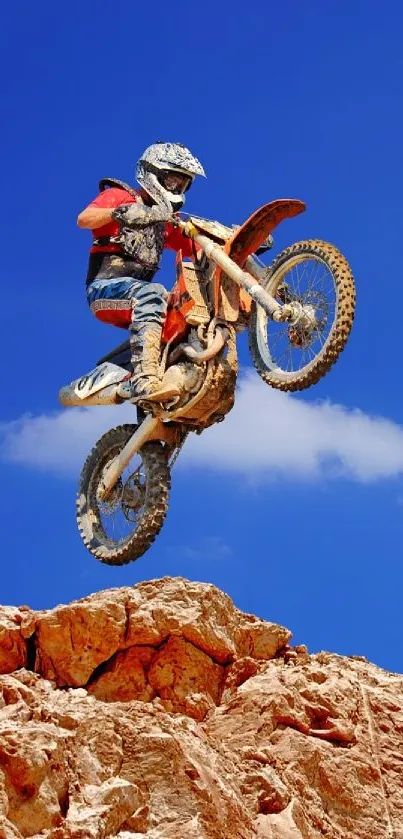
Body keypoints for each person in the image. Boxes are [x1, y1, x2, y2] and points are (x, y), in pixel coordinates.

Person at [77, 142, 206, 401]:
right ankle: (144, 379)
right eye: (172, 181)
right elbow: (84, 219)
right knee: (153, 292)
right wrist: (120, 213)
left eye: (182, 185)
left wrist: (238, 243)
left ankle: (172, 376)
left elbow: (197, 247)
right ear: (153, 173)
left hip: (139, 298)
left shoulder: (164, 222)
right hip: (104, 288)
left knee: (187, 310)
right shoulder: (121, 196)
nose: (176, 189)